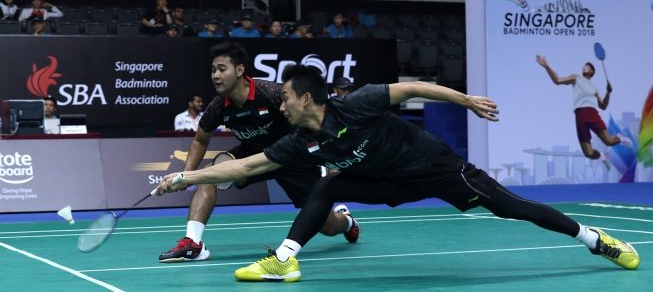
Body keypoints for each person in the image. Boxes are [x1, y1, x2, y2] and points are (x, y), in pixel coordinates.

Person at [157, 64, 640, 282]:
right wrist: (185, 178)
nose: (278, 101)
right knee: (331, 182)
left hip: (434, 168)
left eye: (284, 95)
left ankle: (595, 239)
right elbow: (247, 165)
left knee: (512, 208)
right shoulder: (298, 140)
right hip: (387, 179)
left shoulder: (356, 104)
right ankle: (285, 258)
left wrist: (466, 100)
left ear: (307, 98)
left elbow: (410, 86)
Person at [157, 43, 359, 263]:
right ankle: (193, 244)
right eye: (213, 70)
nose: (216, 75)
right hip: (251, 156)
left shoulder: (271, 94)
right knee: (211, 174)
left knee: (328, 226)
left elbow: (314, 126)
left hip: (292, 159)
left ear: (240, 70)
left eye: (222, 69)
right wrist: (186, 175)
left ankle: (347, 221)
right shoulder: (219, 106)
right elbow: (200, 140)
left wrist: (328, 164)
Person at [535, 55, 631, 164]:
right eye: (584, 66)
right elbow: (557, 80)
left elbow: (603, 106)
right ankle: (601, 155)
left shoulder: (594, 88)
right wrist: (546, 66)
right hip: (579, 115)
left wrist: (608, 92)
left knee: (608, 141)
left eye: (587, 66)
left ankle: (621, 138)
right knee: (588, 153)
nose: (584, 67)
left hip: (591, 113)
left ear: (592, 72)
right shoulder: (576, 78)